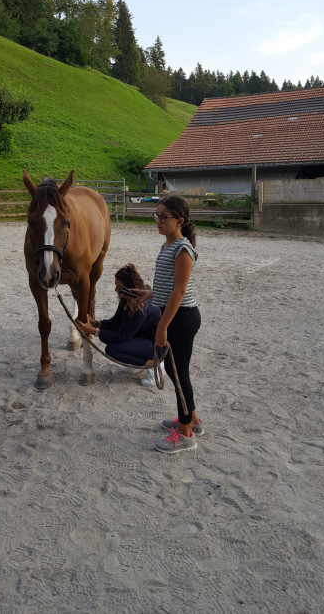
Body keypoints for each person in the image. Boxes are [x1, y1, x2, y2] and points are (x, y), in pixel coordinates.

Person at [135, 195, 203, 454]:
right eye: (157, 215)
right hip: (175, 315)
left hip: (181, 318)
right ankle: (192, 420)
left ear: (180, 221)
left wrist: (162, 326)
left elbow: (180, 291)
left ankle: (185, 434)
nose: (158, 221)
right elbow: (169, 286)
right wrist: (151, 293)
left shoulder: (182, 249)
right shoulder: (168, 245)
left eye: (164, 217)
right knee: (177, 372)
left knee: (179, 373)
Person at [76, 263, 161, 385]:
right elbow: (116, 322)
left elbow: (123, 336)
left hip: (154, 344)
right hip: (140, 336)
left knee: (113, 350)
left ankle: (153, 363)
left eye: (119, 287)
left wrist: (94, 332)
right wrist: (97, 324)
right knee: (109, 340)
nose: (116, 290)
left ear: (130, 288)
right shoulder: (127, 298)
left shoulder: (140, 307)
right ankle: (139, 360)